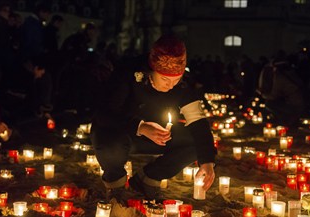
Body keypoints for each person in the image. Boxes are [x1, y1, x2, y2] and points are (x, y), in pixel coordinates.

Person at [91, 35, 216, 202]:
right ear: (152, 70)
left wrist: (207, 162)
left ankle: (148, 179)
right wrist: (140, 127)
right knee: (106, 138)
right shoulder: (127, 73)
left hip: (158, 135)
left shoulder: (182, 85)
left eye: (176, 80)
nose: (170, 85)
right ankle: (116, 185)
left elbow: (198, 122)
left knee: (199, 144)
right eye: (165, 79)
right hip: (123, 132)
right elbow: (104, 114)